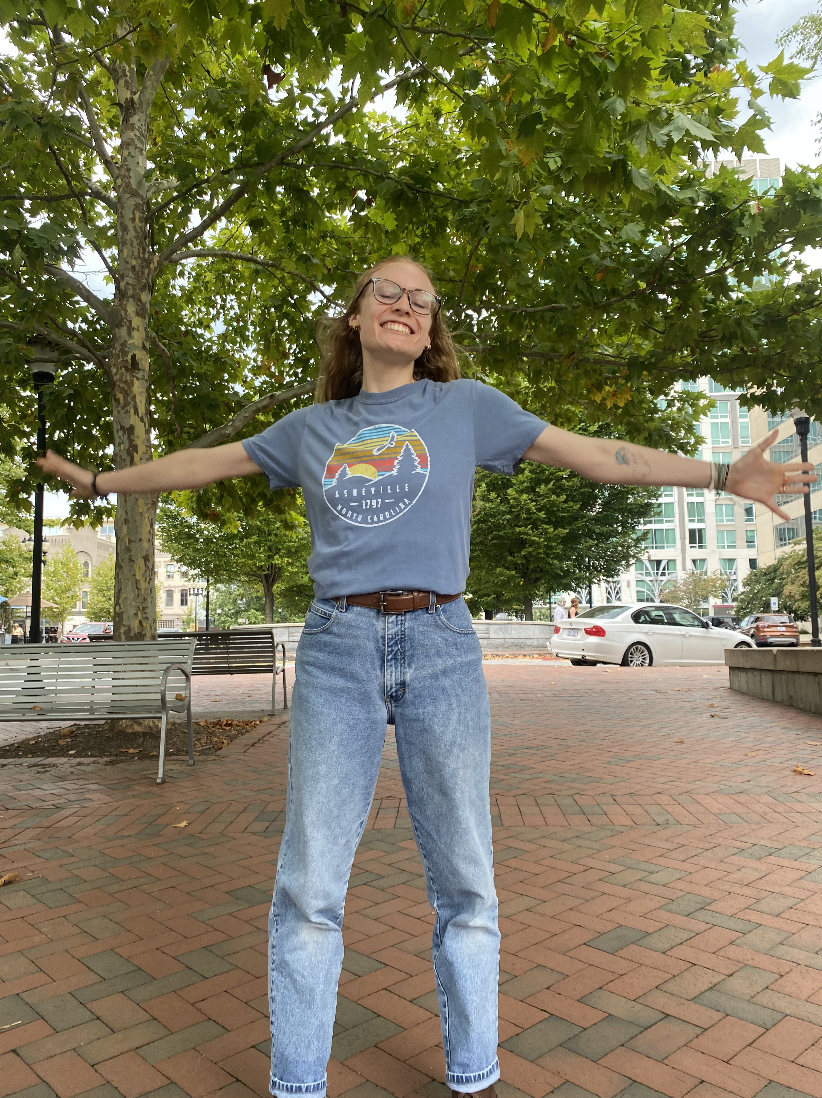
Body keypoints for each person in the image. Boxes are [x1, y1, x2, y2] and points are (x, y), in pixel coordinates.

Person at [38, 255, 814, 1098]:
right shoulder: (311, 429)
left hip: (442, 641)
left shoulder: (466, 409)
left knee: (466, 881)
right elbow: (203, 463)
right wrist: (101, 481)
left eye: (423, 299)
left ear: (431, 327)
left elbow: (596, 455)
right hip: (338, 646)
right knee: (308, 885)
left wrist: (718, 476)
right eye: (388, 292)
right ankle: (298, 1082)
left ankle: (472, 1074)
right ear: (355, 316)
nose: (406, 305)